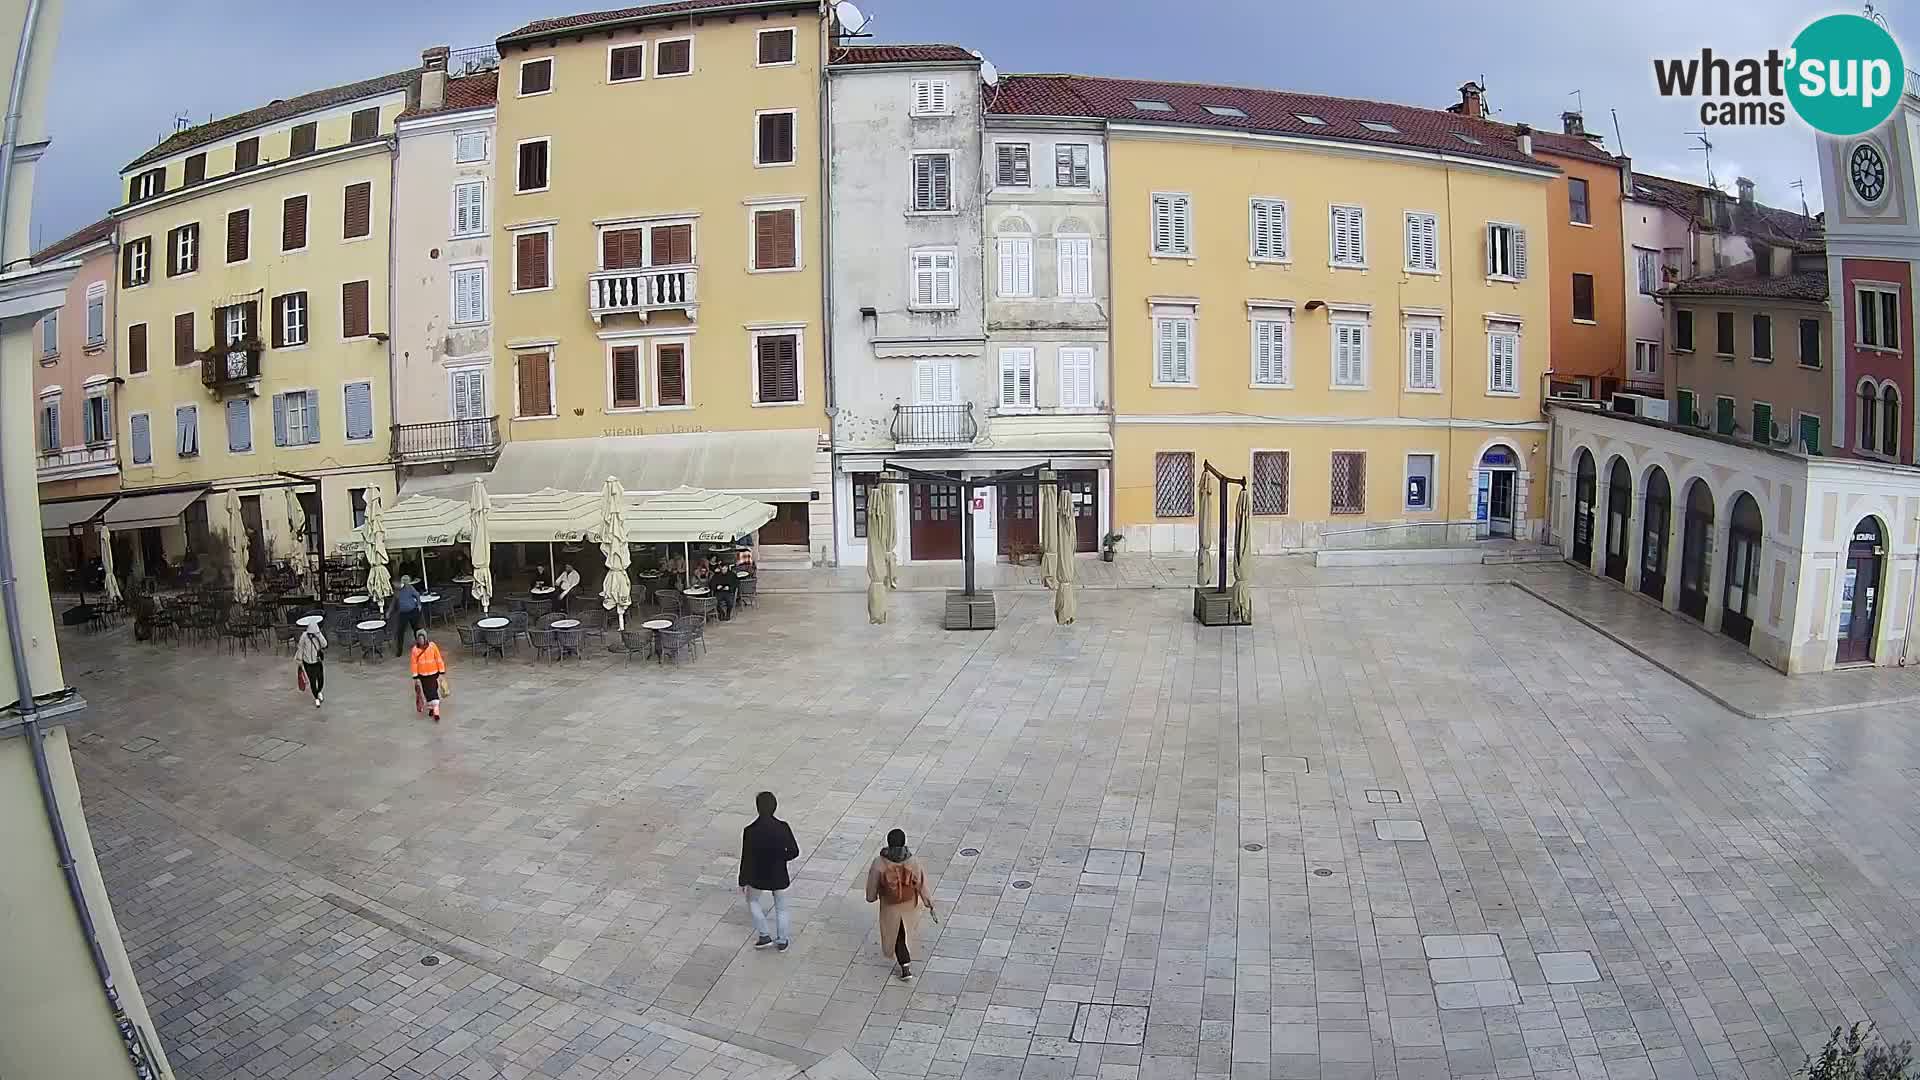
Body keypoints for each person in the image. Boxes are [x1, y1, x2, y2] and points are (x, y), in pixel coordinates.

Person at [865, 828, 935, 980]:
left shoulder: (879, 863)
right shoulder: (912, 861)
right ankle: (906, 962)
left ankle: (905, 965)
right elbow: (921, 883)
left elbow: (872, 885)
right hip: (909, 904)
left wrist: (871, 897)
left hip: (890, 905)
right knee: (906, 931)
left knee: (895, 933)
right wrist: (929, 902)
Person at [740, 791, 800, 951]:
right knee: (781, 908)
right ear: (775, 807)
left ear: (758, 808)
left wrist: (742, 879)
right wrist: (780, 857)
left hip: (757, 875)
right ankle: (782, 940)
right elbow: (794, 851)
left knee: (752, 901)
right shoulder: (782, 827)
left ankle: (764, 935)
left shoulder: (750, 831)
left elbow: (746, 857)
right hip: (778, 873)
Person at [408, 628, 447, 721]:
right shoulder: (415, 650)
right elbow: (414, 664)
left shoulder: (432, 646)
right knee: (426, 691)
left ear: (425, 638)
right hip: (423, 675)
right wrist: (416, 676)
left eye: (422, 638)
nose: (421, 640)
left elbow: (438, 658)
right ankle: (431, 707)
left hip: (433, 673)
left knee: (433, 690)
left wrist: (441, 671)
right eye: (419, 638)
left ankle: (436, 711)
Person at [295, 621, 328, 709]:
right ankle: (316, 697)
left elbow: (325, 644)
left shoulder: (318, 635)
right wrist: (299, 659)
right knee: (312, 681)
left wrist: (319, 635)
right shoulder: (304, 636)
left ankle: (319, 691)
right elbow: (300, 647)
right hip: (308, 663)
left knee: (321, 679)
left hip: (317, 661)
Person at [389, 575, 424, 656]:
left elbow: (417, 595)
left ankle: (421, 645)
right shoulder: (396, 592)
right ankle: (399, 651)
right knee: (400, 632)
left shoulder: (409, 587)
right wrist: (389, 612)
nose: (394, 586)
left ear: (397, 583)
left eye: (394, 584)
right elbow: (393, 603)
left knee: (416, 629)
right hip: (403, 614)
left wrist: (419, 604)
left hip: (412, 611)